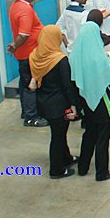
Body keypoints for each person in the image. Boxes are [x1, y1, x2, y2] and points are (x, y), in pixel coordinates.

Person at [70, 17, 110, 182]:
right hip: (101, 99)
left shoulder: (76, 56)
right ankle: (102, 172)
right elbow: (109, 76)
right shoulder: (98, 57)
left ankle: (83, 167)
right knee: (103, 137)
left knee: (89, 133)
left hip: (85, 101)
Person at [29, 25, 80, 179]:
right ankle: (56, 169)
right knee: (58, 137)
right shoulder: (60, 60)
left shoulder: (35, 56)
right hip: (59, 105)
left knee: (59, 133)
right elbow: (67, 86)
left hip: (44, 103)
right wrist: (74, 105)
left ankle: (67, 158)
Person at [7, 0, 48, 127]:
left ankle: (26, 111)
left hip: (24, 54)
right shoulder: (25, 11)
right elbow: (24, 34)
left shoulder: (16, 6)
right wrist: (15, 46)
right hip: (29, 53)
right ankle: (31, 117)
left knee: (24, 83)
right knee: (32, 84)